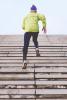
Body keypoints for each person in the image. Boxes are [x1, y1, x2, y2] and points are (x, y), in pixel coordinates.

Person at [22, 5, 46, 69]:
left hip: (28, 31)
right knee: (35, 40)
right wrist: (44, 26)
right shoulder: (37, 14)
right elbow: (43, 17)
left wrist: (26, 27)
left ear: (30, 10)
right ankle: (37, 49)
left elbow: (23, 26)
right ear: (35, 10)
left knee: (25, 45)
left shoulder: (26, 16)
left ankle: (24, 61)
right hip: (35, 30)